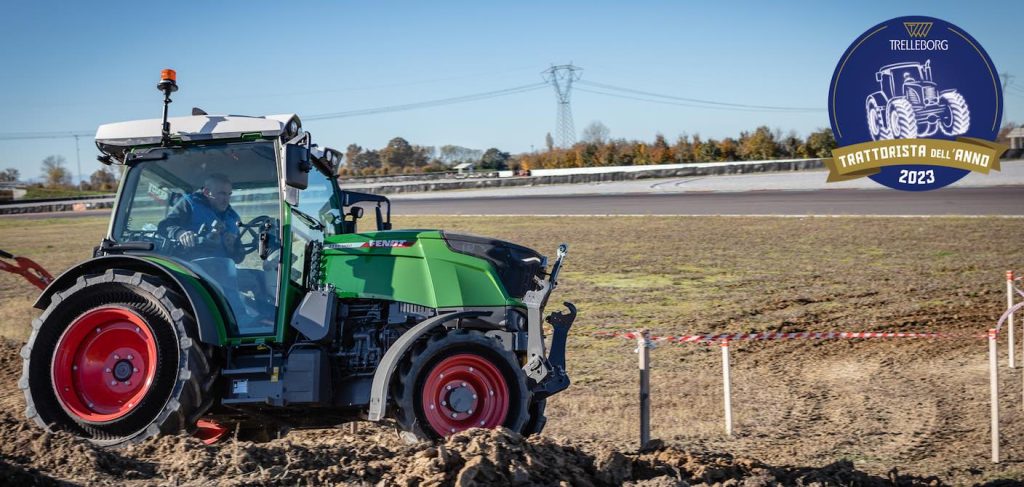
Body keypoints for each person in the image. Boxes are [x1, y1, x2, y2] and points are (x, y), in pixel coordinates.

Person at [158, 173, 244, 262]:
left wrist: (232, 248)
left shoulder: (233, 217)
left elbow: (239, 258)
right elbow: (164, 226)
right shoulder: (189, 204)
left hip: (222, 273)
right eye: (222, 194)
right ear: (207, 192)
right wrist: (180, 233)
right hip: (191, 271)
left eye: (229, 194)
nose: (226, 199)